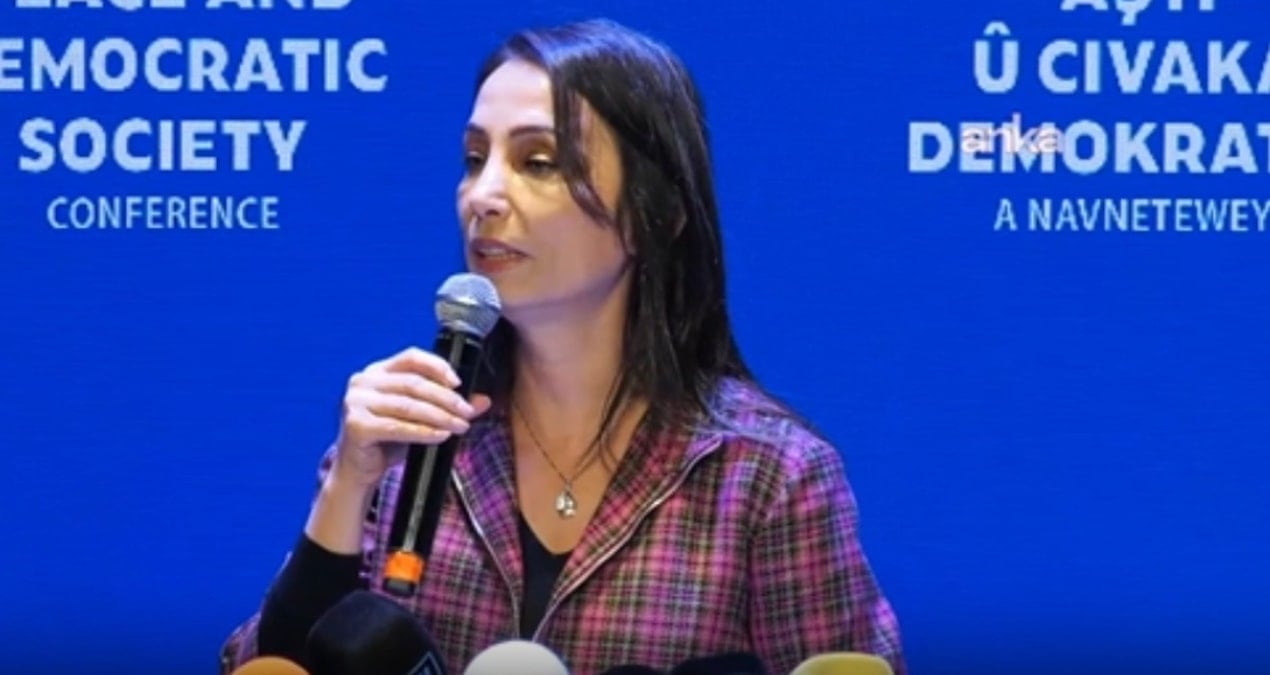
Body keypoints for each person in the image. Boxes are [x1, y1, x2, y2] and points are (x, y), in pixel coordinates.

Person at [220, 18, 905, 675]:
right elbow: (267, 667)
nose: (483, 196)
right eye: (474, 160)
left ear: (657, 213)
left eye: (538, 162)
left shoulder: (768, 474)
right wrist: (347, 484)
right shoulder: (409, 443)